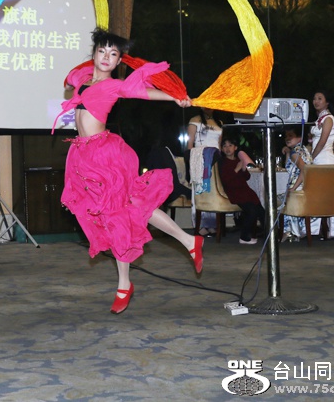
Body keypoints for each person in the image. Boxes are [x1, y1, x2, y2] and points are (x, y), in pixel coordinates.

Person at [57, 28, 202, 315]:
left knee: (119, 216)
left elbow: (144, 93)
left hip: (107, 157)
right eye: (102, 51)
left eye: (113, 54)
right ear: (94, 54)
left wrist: (175, 98)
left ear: (119, 60)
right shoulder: (82, 79)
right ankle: (189, 241)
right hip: (84, 158)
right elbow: (71, 77)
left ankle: (125, 283)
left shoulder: (115, 85)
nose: (106, 57)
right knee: (129, 210)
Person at [218, 134, 265, 245]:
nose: (227, 148)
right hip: (235, 192)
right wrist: (237, 169)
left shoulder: (238, 160)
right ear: (222, 149)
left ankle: (270, 235)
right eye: (225, 146)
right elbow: (226, 180)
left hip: (245, 191)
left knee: (262, 212)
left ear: (235, 147)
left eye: (230, 145)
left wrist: (243, 169)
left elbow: (247, 177)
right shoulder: (223, 162)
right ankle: (244, 237)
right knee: (251, 211)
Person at [187, 107, 223, 236]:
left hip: (215, 159)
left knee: (213, 191)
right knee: (199, 191)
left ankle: (211, 224)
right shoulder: (195, 120)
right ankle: (200, 224)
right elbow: (190, 142)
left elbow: (219, 144)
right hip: (200, 158)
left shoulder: (219, 122)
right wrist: (191, 161)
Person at [308, 90, 334, 238]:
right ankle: (315, 229)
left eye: (320, 98)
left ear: (327, 102)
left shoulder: (329, 119)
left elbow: (323, 141)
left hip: (325, 158)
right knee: (317, 195)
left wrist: (310, 157)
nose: (316, 101)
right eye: (314, 98)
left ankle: (332, 230)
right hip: (317, 159)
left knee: (327, 195)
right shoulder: (319, 119)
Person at [281, 125, 313, 242]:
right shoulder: (303, 150)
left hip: (299, 187)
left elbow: (304, 169)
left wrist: (294, 188)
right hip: (308, 186)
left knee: (278, 198)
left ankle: (289, 231)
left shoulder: (295, 152)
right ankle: (295, 231)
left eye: (291, 136)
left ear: (299, 137)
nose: (287, 138)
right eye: (286, 136)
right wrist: (288, 152)